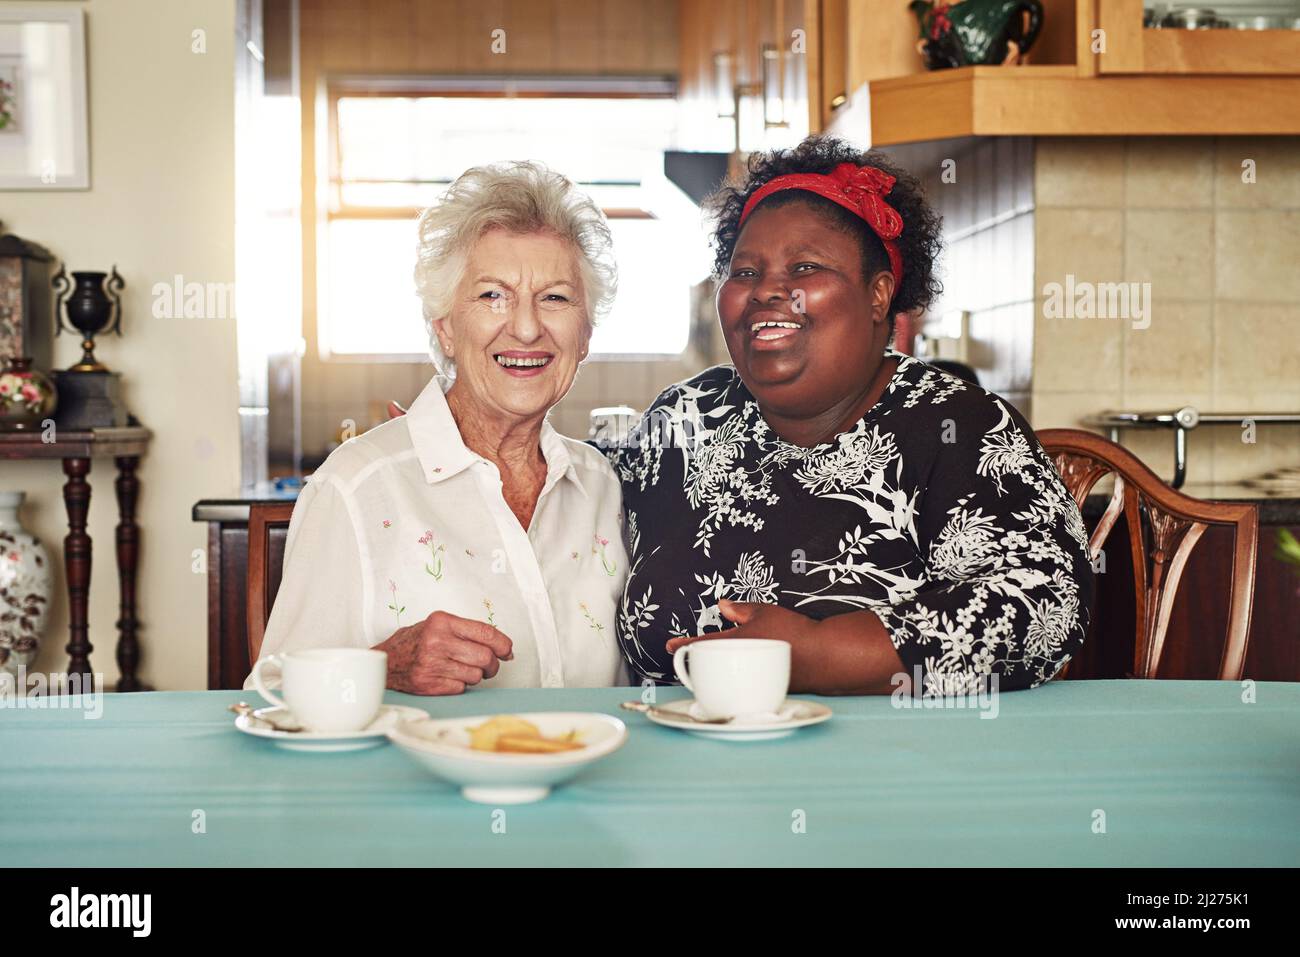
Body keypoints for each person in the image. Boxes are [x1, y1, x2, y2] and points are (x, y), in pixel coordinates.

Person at [601, 135, 1094, 695]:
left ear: (879, 294)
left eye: (805, 267)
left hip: (889, 768)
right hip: (675, 760)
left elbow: (1045, 603)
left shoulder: (954, 425)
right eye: (745, 272)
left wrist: (816, 653)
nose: (767, 291)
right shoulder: (683, 419)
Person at [250, 161, 628, 695]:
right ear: (446, 328)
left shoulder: (603, 487)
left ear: (585, 335)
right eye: (492, 295)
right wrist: (381, 668)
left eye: (556, 297)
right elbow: (268, 696)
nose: (525, 326)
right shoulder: (357, 487)